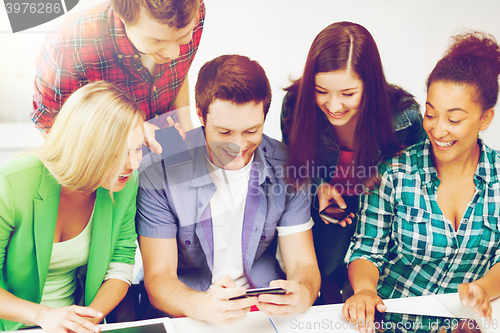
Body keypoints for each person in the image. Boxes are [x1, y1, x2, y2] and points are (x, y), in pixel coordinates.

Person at [136, 54, 321, 325]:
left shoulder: (289, 167)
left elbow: (302, 265)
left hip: (265, 314)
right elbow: (159, 278)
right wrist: (203, 306)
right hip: (190, 312)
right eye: (224, 132)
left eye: (251, 131)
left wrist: (303, 293)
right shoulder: (160, 169)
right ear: (200, 115)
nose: (238, 146)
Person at [343, 31, 500, 333]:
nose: (438, 130)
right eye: (430, 114)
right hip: (388, 323)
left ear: (485, 118)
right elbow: (366, 250)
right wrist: (364, 290)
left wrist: (483, 288)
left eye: (454, 120)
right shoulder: (394, 171)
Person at [280, 21, 425, 289]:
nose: (333, 106)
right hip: (321, 225)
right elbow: (293, 171)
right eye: (321, 91)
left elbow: (422, 192)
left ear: (370, 86)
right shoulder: (295, 105)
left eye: (348, 93)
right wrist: (317, 189)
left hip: (385, 229)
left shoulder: (405, 118)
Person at [0, 81, 145, 332]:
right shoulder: (13, 182)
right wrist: (43, 316)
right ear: (87, 147)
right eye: (120, 152)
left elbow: (121, 266)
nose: (133, 163)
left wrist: (86, 321)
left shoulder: (124, 183)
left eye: (138, 148)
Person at [32, 0, 205, 150]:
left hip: (168, 142)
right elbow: (49, 128)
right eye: (157, 41)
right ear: (122, 16)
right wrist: (130, 133)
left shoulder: (193, 12)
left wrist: (188, 129)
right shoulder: (66, 49)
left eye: (183, 37)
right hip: (104, 158)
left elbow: (178, 74)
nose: (174, 53)